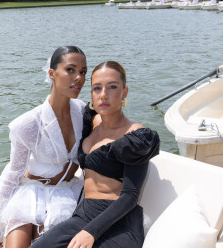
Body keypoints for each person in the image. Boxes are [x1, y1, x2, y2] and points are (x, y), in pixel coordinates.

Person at [31, 61, 160, 248]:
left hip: (119, 219)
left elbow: (130, 196)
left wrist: (91, 232)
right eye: (97, 88)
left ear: (125, 92)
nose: (103, 95)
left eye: (113, 87)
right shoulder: (90, 121)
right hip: (84, 215)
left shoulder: (136, 136)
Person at [0, 46, 88, 248]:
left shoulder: (83, 112)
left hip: (65, 193)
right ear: (52, 74)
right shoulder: (28, 123)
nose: (79, 78)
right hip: (29, 194)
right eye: (70, 70)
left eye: (83, 72)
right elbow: (13, 174)